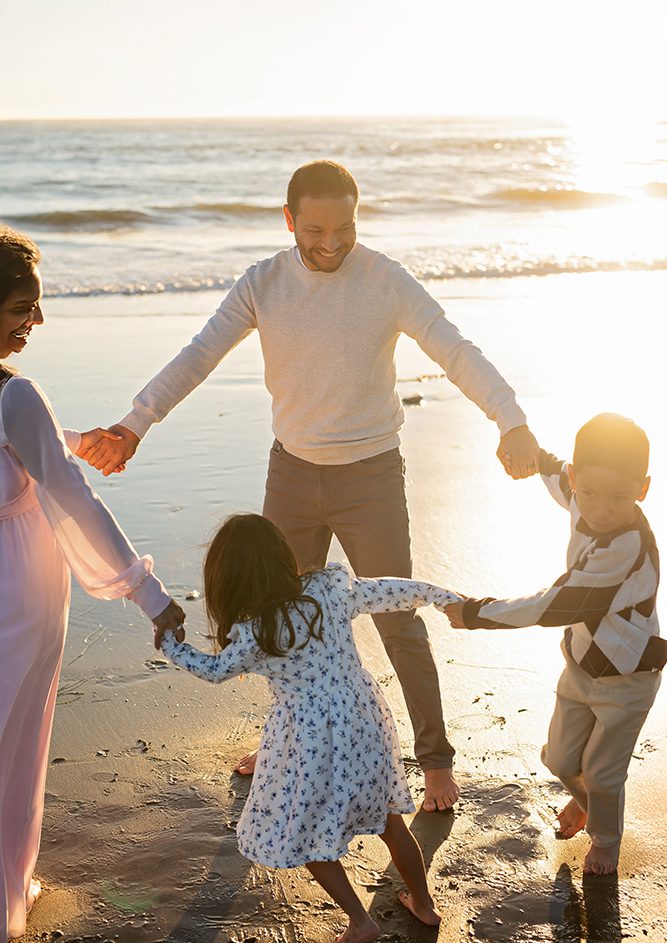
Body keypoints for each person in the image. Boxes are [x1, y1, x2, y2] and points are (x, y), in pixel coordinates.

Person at [81, 160, 540, 812]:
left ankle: (435, 761)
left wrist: (510, 420)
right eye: (315, 229)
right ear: (289, 219)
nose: (330, 244)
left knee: (397, 621)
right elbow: (197, 355)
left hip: (370, 476)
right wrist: (134, 424)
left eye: (344, 228)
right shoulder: (263, 283)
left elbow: (454, 349)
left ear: (358, 220)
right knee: (275, 620)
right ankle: (283, 742)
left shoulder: (384, 280)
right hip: (292, 472)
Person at [0, 227, 185, 943]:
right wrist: (147, 591)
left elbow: (27, 445)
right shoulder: (15, 395)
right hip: (18, 590)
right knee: (13, 742)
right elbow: (70, 498)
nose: (36, 323)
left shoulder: (17, 405)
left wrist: (71, 437)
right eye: (23, 305)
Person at [160, 513, 461, 943]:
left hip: (309, 742)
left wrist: (170, 644)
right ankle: (424, 903)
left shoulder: (256, 633)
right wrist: (438, 595)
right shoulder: (328, 590)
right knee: (392, 823)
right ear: (283, 556)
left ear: (228, 581)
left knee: (306, 835)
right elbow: (389, 591)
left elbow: (214, 670)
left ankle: (361, 921)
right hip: (364, 726)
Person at [445, 413, 665, 875]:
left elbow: (556, 605)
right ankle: (589, 803)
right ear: (576, 480)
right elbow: (555, 475)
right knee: (561, 758)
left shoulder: (626, 547)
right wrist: (533, 455)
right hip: (581, 666)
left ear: (643, 489)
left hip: (629, 677)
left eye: (619, 498)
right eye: (589, 493)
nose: (601, 508)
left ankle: (605, 840)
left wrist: (477, 612)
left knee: (604, 772)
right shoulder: (580, 496)